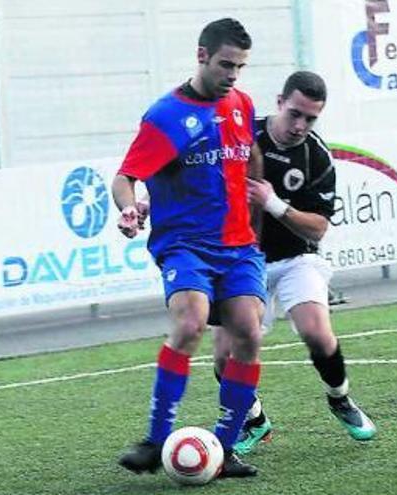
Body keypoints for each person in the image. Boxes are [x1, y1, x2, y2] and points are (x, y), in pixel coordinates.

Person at [112, 18, 266, 477]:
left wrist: (257, 194)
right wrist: (127, 210)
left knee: (249, 333)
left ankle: (223, 448)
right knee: (191, 320)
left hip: (238, 247)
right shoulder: (165, 116)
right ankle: (156, 438)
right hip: (185, 245)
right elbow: (126, 178)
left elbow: (250, 155)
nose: (233, 76)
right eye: (225, 65)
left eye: (239, 67)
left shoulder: (240, 104)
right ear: (202, 56)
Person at [213, 71, 377, 455]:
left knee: (317, 331)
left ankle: (340, 399)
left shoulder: (316, 156)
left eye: (310, 118)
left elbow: (318, 229)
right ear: (279, 102)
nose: (300, 126)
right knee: (223, 355)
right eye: (295, 114)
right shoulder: (241, 135)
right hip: (241, 262)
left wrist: (274, 203)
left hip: (295, 260)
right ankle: (254, 419)